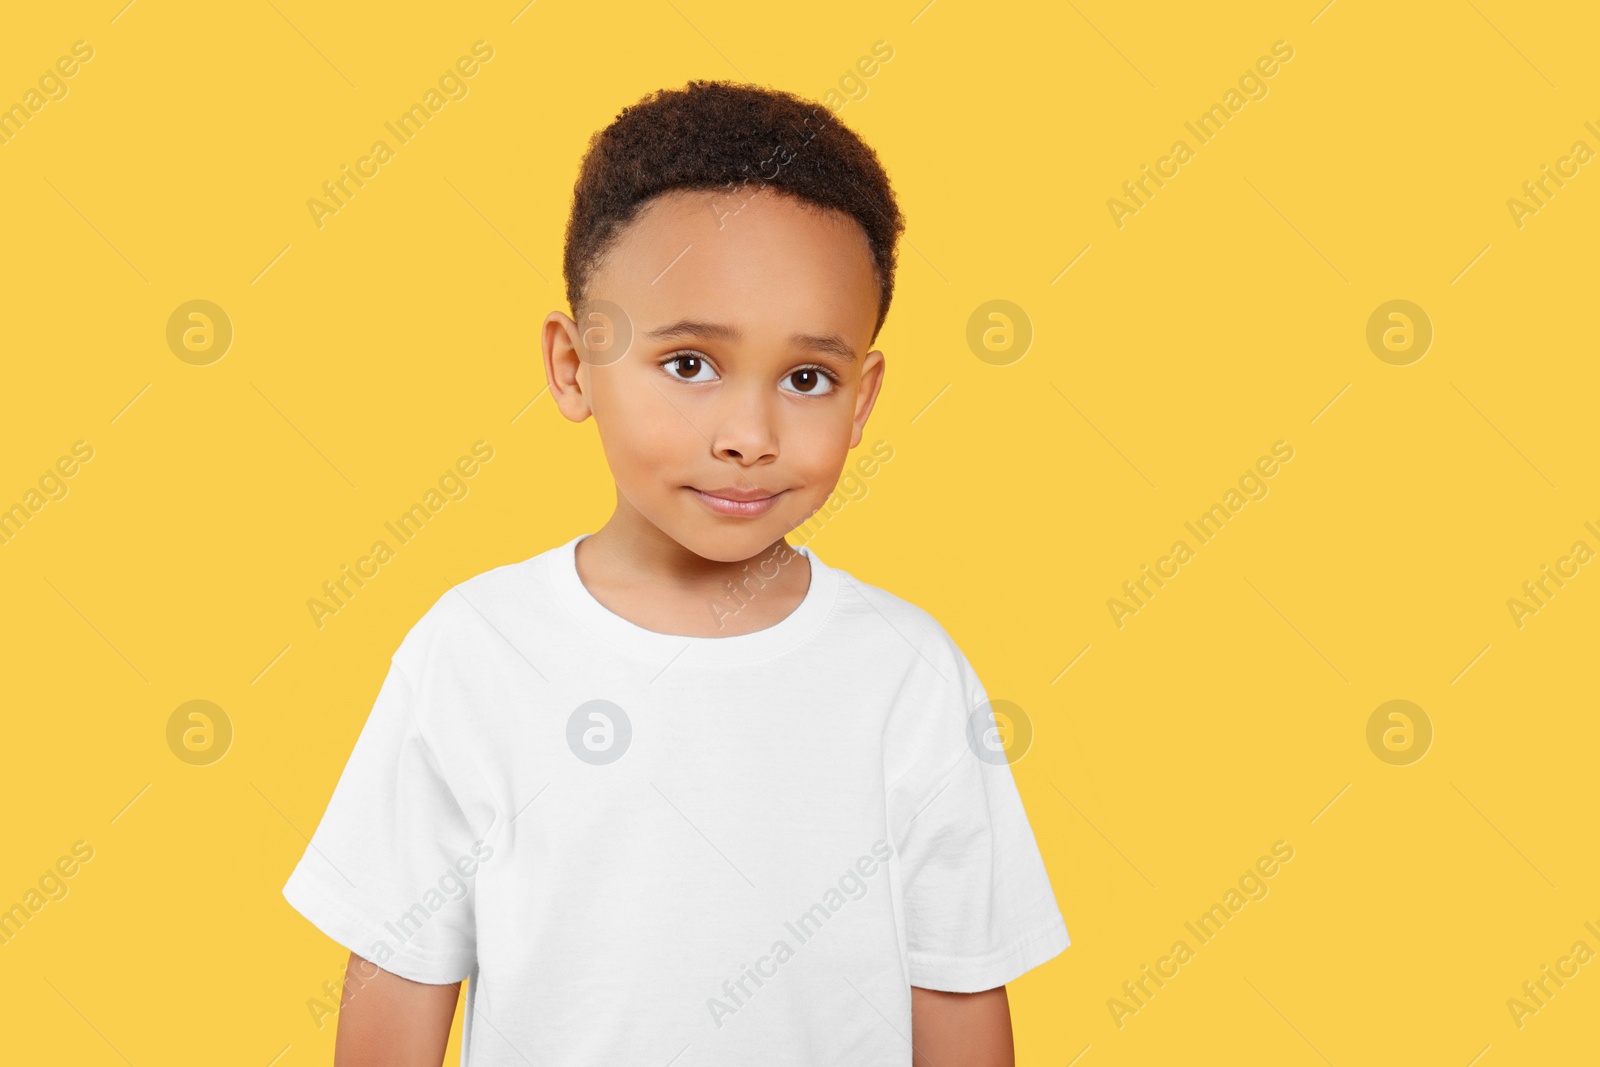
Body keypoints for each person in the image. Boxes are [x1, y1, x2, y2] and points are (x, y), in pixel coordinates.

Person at [282, 78, 1070, 1066]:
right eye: (690, 363)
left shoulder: (907, 672)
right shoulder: (477, 650)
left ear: (863, 399)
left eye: (807, 378)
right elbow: (397, 982)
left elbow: (957, 994)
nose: (748, 435)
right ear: (574, 365)